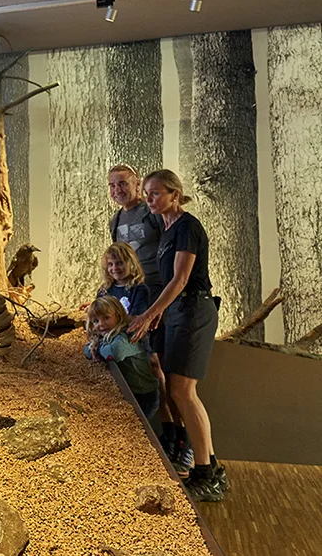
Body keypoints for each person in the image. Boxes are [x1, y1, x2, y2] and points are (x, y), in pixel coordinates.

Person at [129, 169, 228, 502]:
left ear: (174, 194)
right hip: (178, 312)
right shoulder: (167, 228)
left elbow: (180, 279)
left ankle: (205, 474)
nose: (149, 198)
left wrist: (149, 313)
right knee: (177, 390)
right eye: (146, 193)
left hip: (194, 309)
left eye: (155, 193)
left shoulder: (187, 227)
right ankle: (210, 467)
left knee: (184, 391)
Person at [107, 164, 175, 449]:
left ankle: (173, 431)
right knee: (145, 360)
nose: (117, 190)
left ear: (136, 184)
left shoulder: (151, 213)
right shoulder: (115, 220)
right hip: (133, 296)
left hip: (157, 293)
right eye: (112, 186)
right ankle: (154, 428)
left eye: (122, 183)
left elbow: (170, 247)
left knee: (159, 362)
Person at [84, 296, 160, 420]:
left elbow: (115, 353)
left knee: (138, 427)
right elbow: (87, 351)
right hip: (129, 392)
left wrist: (97, 348)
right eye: (95, 321)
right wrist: (98, 346)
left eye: (106, 318)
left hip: (144, 394)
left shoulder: (125, 336)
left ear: (118, 316)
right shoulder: (108, 335)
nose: (101, 324)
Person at [97, 242, 150, 317]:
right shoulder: (104, 290)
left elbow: (135, 319)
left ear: (132, 264)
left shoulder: (139, 290)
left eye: (120, 263)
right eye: (110, 264)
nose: (115, 268)